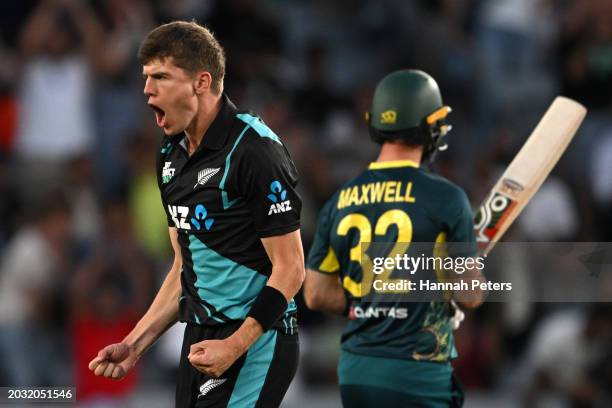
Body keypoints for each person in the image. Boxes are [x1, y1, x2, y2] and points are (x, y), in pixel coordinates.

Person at [88, 21, 304, 408]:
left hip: (254, 341)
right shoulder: (170, 155)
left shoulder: (254, 150)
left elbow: (291, 269)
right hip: (199, 337)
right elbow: (184, 269)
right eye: (146, 77)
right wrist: (134, 345)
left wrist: (235, 345)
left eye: (161, 77)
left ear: (201, 82)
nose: (147, 90)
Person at [304, 69, 484, 407]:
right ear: (431, 127)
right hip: (418, 372)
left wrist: (372, 305)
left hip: (356, 371)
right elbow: (470, 293)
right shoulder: (447, 198)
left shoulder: (340, 198)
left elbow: (315, 293)